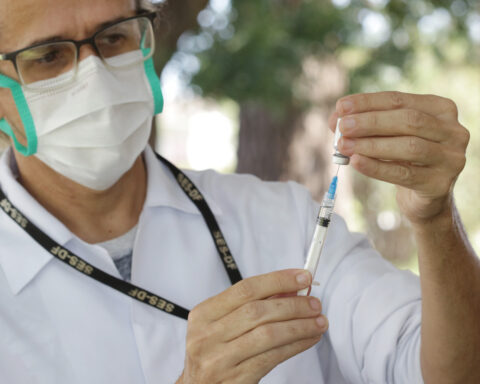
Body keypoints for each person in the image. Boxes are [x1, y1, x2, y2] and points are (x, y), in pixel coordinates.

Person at [0, 0, 478, 383]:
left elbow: (449, 372)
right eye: (48, 56)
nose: (96, 75)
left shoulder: (281, 217)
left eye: (113, 37)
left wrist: (435, 221)